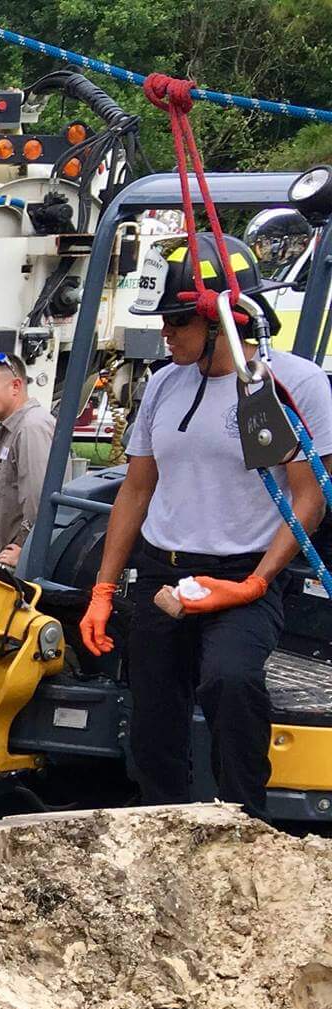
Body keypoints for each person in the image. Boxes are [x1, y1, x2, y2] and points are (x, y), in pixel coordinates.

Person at [79, 232, 332, 819]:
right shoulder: (166, 384)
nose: (165, 334)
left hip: (242, 575)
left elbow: (307, 499)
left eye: (177, 322)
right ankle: (161, 822)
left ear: (224, 319)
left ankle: (244, 822)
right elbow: (135, 490)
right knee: (152, 718)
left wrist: (258, 582)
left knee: (230, 683)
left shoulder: (280, 387)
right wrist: (103, 589)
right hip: (164, 573)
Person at [0, 356, 57, 567]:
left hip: (19, 561)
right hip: (7, 556)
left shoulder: (31, 427)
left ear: (16, 386)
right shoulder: (12, 427)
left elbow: (39, 498)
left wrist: (23, 547)